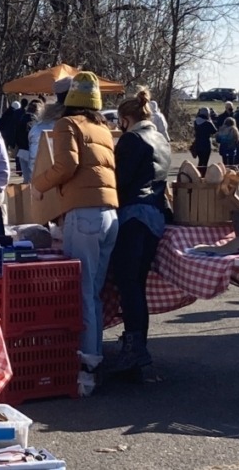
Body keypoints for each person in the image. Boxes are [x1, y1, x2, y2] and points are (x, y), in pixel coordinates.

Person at [31, 71, 119, 392]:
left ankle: (86, 368)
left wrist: (38, 184)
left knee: (82, 292)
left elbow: (65, 165)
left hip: (84, 216)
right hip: (111, 215)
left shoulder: (67, 125)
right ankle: (94, 358)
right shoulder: (103, 129)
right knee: (94, 291)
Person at [101, 92, 170, 383]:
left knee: (128, 283)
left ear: (125, 119)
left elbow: (120, 180)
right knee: (137, 284)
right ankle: (137, 342)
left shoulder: (131, 140)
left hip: (132, 216)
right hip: (155, 215)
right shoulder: (162, 140)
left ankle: (134, 347)